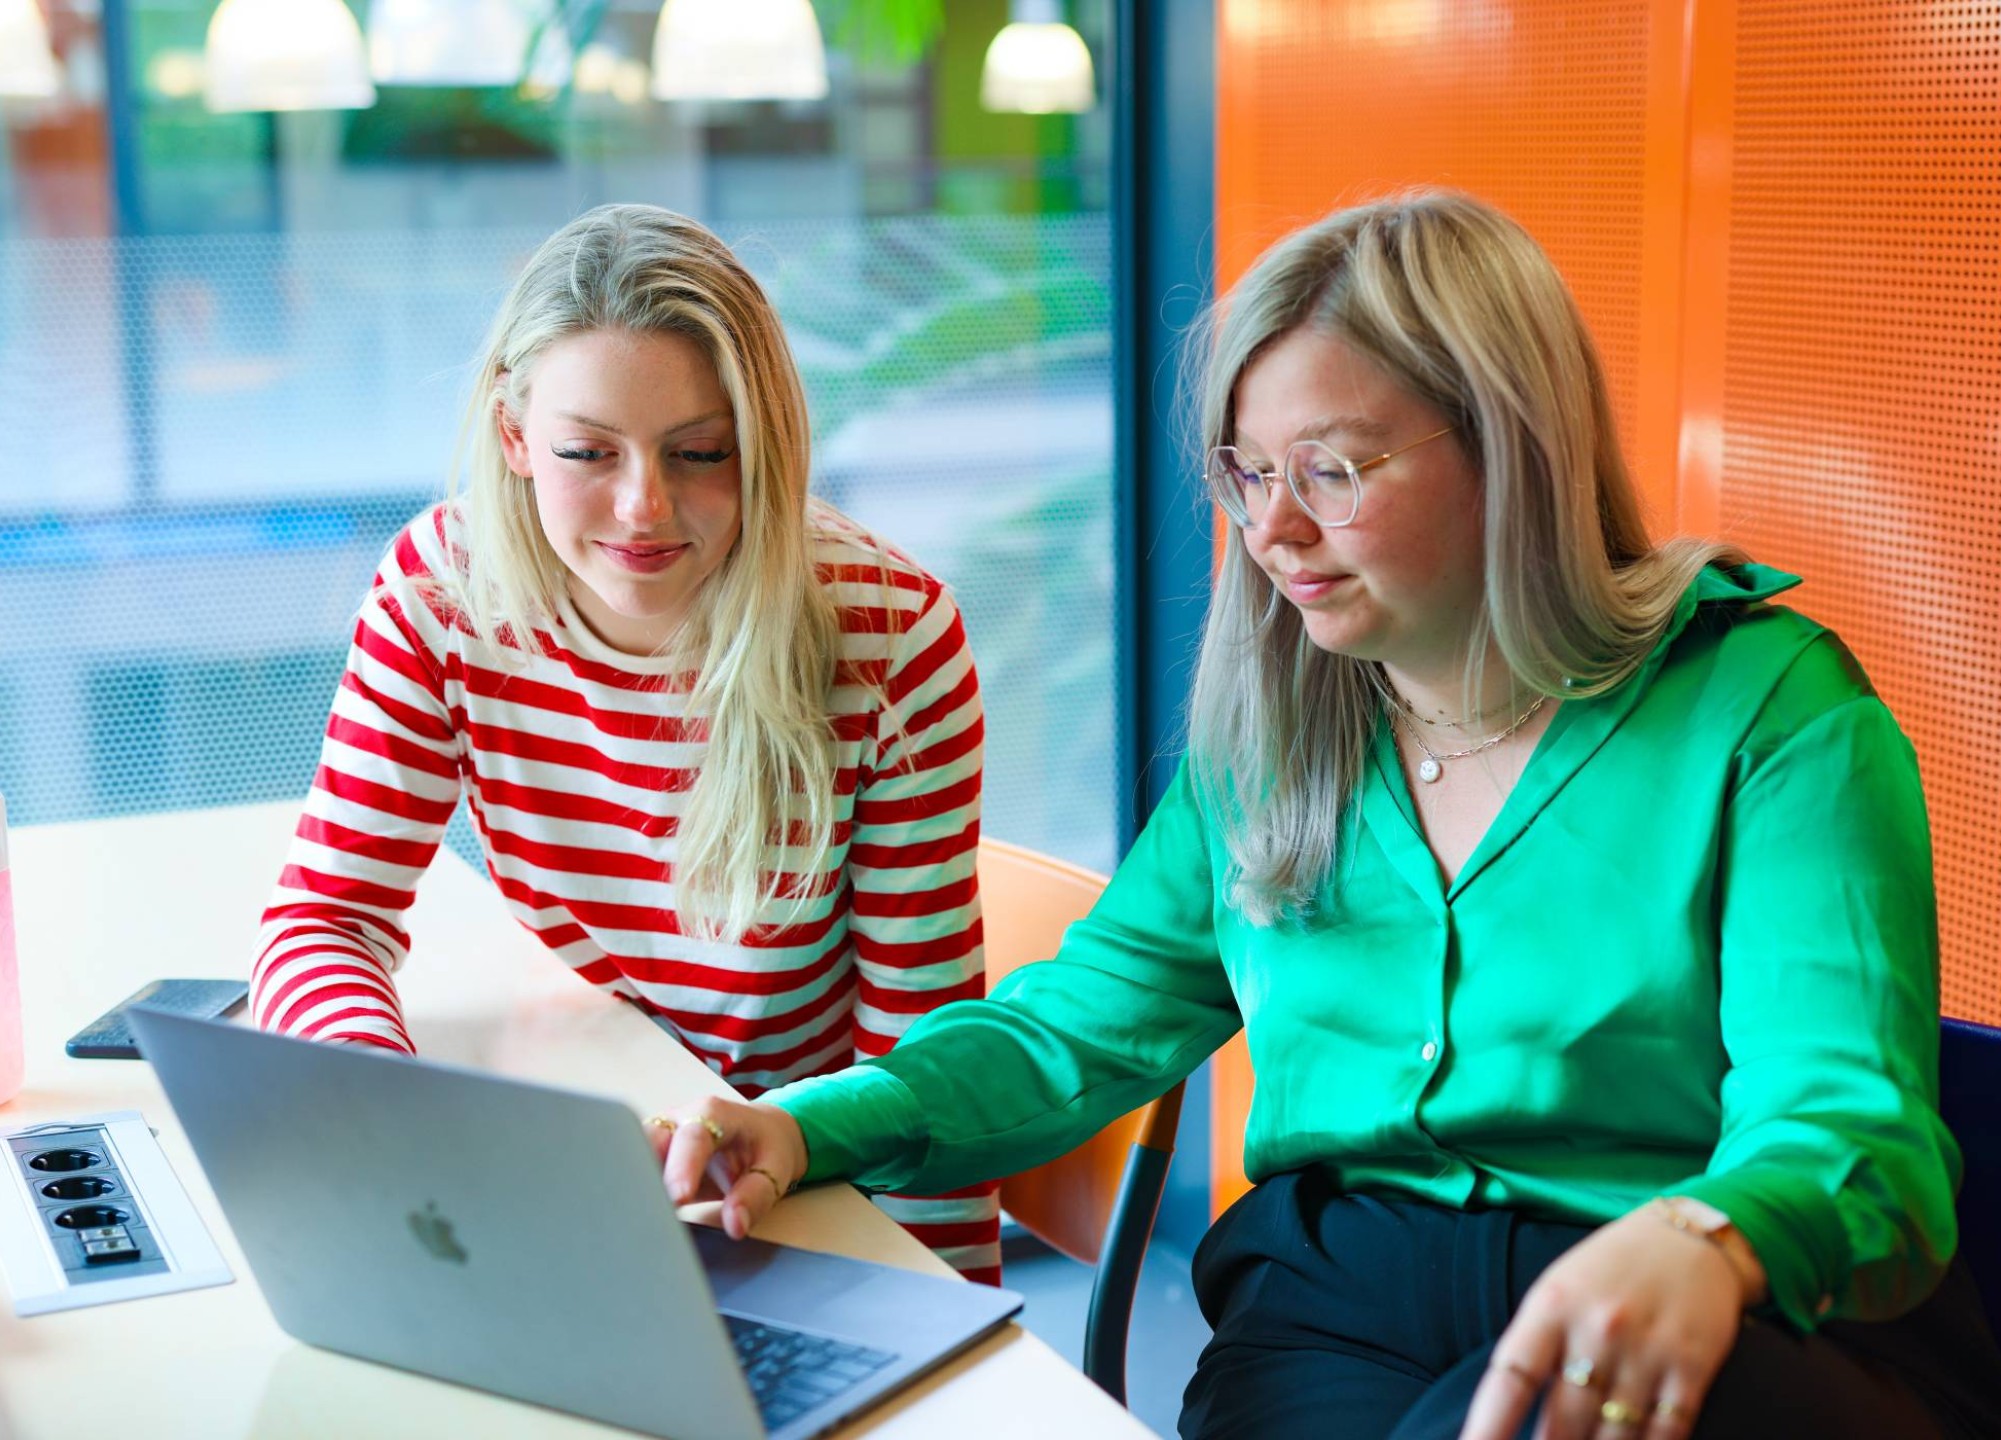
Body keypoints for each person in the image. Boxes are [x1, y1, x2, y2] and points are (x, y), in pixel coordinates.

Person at [644, 191, 2001, 1438]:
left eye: (1334, 471)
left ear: (1509, 449)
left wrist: (1709, 1236)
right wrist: (813, 1123)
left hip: (1689, 1304)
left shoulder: (1770, 713)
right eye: (1249, 473)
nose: (1273, 530)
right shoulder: (1276, 734)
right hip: (1334, 1301)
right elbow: (1073, 1028)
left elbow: (1850, 1124)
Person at [249, 204, 999, 1284]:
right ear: (514, 436)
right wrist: (386, 1115)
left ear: (765, 444)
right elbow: (326, 919)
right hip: (563, 1170)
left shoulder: (887, 635)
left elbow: (923, 1068)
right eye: (585, 452)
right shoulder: (441, 593)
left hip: (790, 1193)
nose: (644, 508)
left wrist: (948, 1335)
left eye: (700, 452)